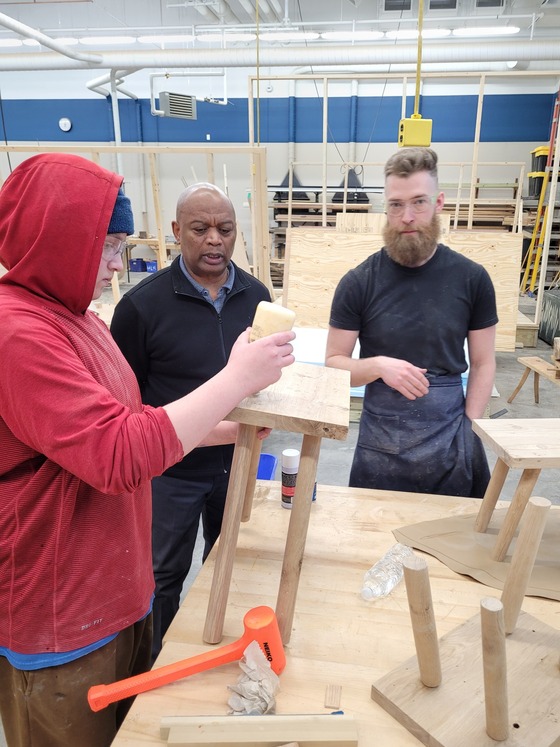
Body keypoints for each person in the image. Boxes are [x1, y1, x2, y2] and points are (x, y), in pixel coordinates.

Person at [0, 153, 294, 747]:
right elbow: (117, 453)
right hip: (64, 617)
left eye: (121, 244)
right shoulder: (17, 333)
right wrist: (236, 379)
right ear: (54, 241)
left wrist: (228, 429)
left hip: (118, 593)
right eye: (106, 246)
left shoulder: (76, 318)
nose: (117, 264)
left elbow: (133, 419)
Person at [110, 182, 272, 662]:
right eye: (200, 229)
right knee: (162, 576)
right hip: (170, 473)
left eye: (225, 229)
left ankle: (219, 654)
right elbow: (125, 409)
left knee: (232, 566)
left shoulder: (257, 298)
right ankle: (152, 668)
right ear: (178, 231)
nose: (215, 240)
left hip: (240, 464)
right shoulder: (141, 308)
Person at [325, 146, 497, 498]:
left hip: (451, 433)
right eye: (396, 205)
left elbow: (483, 362)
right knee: (374, 540)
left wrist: (471, 426)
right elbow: (333, 364)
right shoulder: (359, 282)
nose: (406, 216)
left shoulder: (472, 278)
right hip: (381, 441)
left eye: (419, 202)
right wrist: (377, 366)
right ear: (385, 208)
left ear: (439, 203)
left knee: (454, 542)